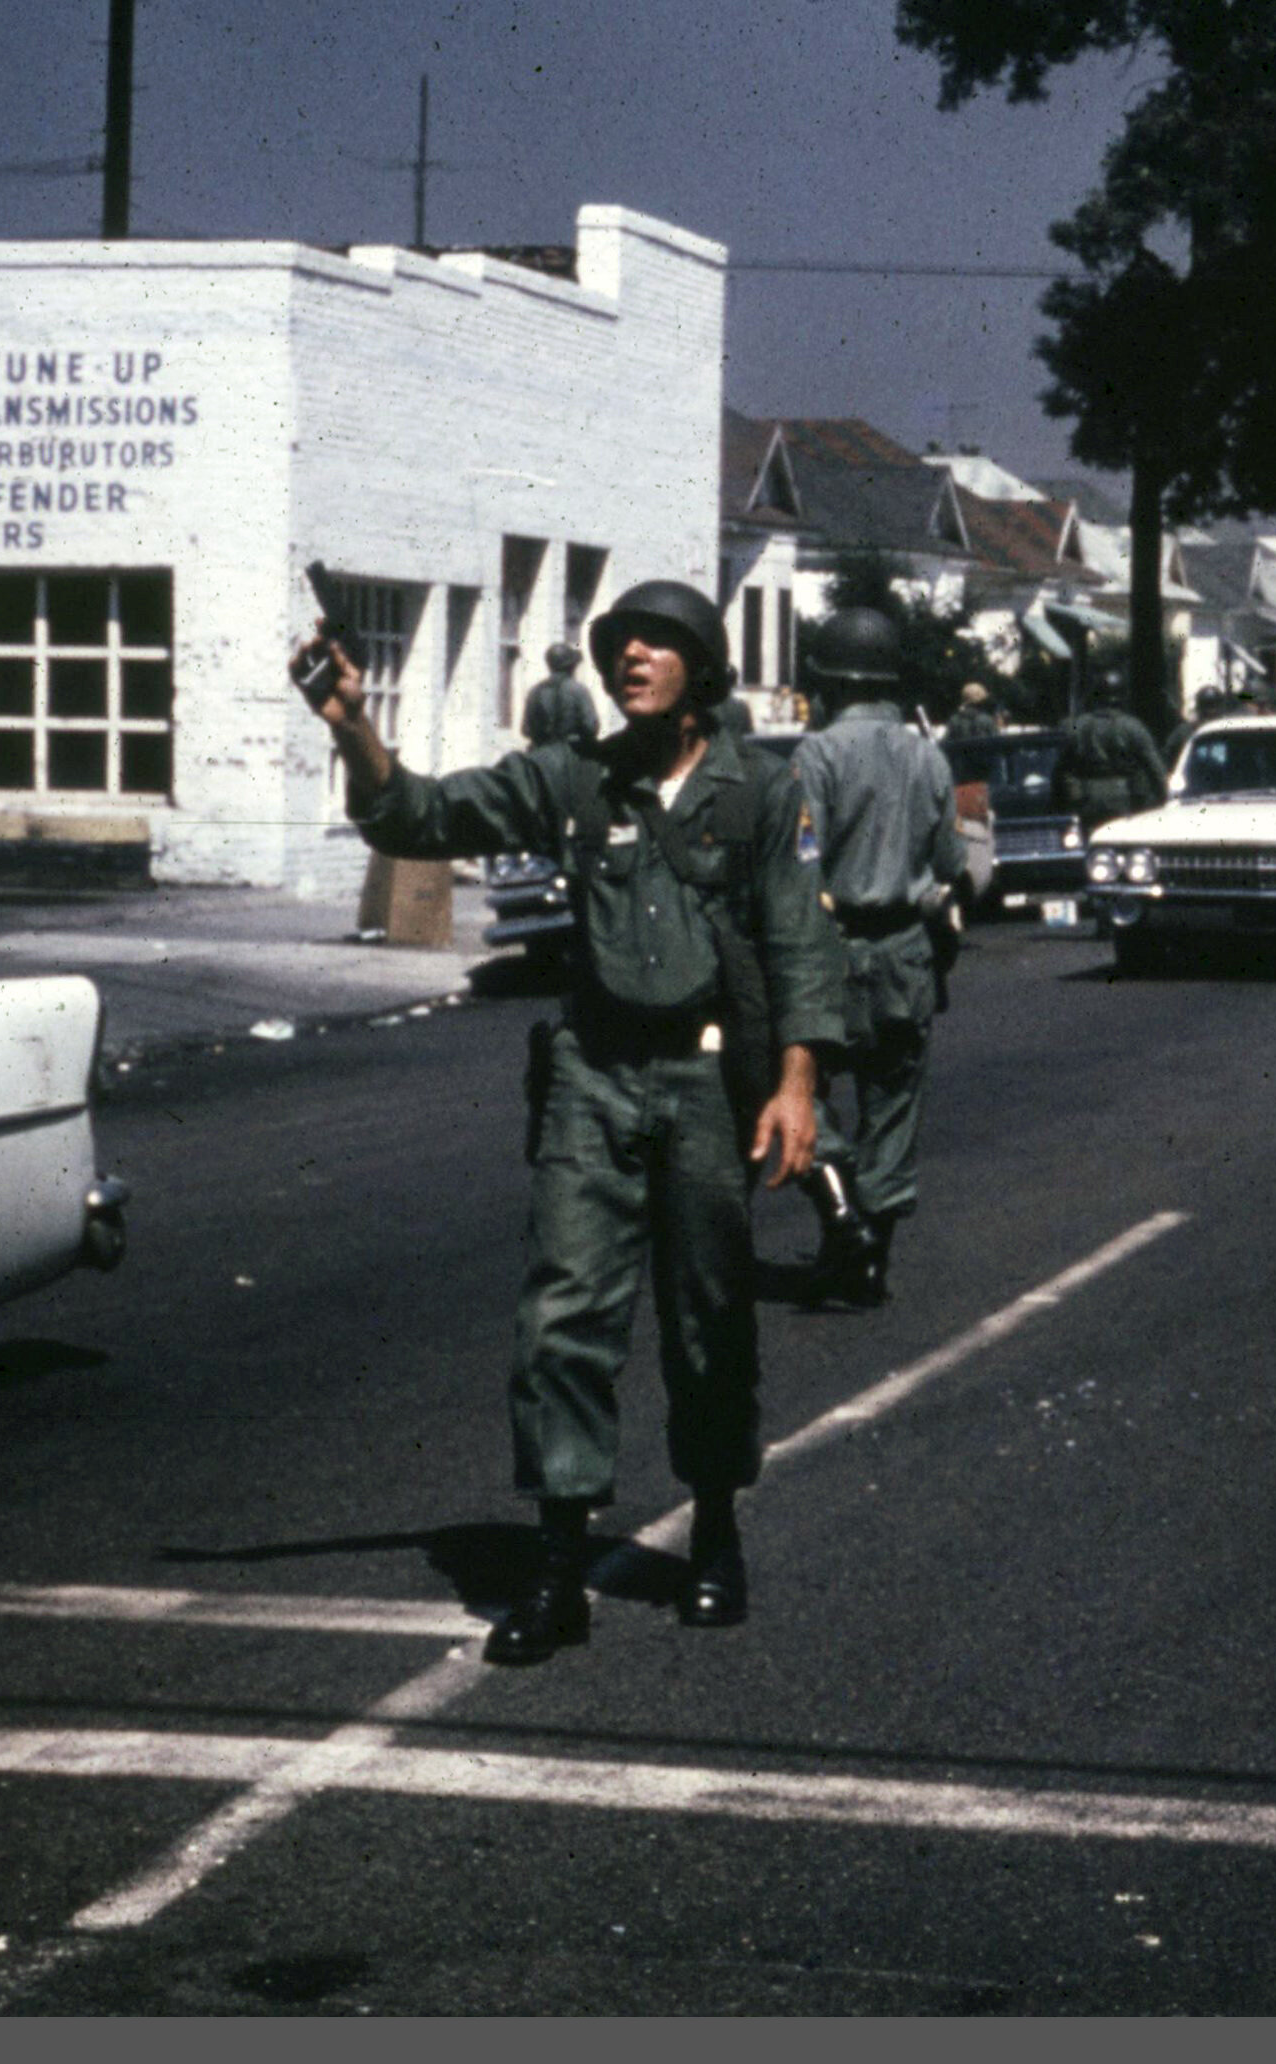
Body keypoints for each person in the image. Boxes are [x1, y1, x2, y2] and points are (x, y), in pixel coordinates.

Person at [296, 578, 846, 1663]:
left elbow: (800, 944)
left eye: (657, 643)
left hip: (707, 1084)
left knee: (709, 1319)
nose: (631, 657)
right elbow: (418, 816)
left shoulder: (759, 791)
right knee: (562, 1322)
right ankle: (557, 1571)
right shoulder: (573, 776)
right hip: (593, 1076)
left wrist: (795, 1085)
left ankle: (715, 1534)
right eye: (620, 643)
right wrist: (352, 723)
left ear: (702, 668)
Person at [789, 607, 966, 1307]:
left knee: (800, 1088)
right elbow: (950, 862)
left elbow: (800, 861)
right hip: (904, 951)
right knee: (893, 1105)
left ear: (832, 681)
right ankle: (871, 1263)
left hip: (829, 950)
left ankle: (839, 1208)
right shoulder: (928, 755)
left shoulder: (816, 755)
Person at [1055, 690, 1170, 834]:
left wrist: (1073, 796)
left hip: (1088, 798)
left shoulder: (1076, 727)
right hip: (1126, 798)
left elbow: (1063, 768)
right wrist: (1165, 797)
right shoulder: (1132, 727)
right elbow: (1154, 766)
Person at [520, 641, 601, 750]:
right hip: (572, 754)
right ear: (571, 667)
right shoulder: (578, 690)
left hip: (540, 754)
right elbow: (592, 727)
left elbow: (525, 730)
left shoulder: (535, 691)